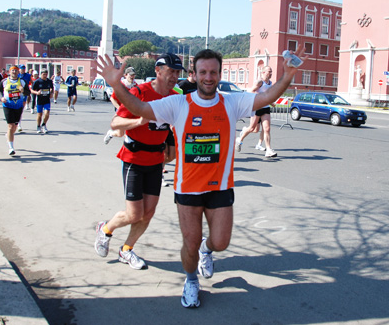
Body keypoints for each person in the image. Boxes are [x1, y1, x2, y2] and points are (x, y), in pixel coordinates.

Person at [97, 47, 305, 309]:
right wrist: (116, 84)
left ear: (219, 74)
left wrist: (286, 77)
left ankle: (208, 251)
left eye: (214, 72)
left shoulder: (232, 101)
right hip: (187, 190)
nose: (209, 77)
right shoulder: (178, 103)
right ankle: (191, 280)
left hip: (220, 187)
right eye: (203, 72)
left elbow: (266, 96)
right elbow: (138, 106)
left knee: (220, 242)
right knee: (190, 243)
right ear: (194, 74)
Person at [94, 54, 182, 271]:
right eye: (171, 71)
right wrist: (139, 120)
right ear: (158, 70)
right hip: (134, 159)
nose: (175, 76)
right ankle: (105, 230)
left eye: (178, 72)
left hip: (156, 161)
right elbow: (115, 122)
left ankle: (126, 250)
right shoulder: (140, 92)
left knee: (148, 213)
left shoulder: (174, 96)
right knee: (134, 214)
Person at [235, 66, 277, 157]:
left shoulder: (270, 83)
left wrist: (271, 102)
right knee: (253, 128)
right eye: (269, 71)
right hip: (257, 107)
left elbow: (267, 95)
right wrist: (259, 98)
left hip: (265, 108)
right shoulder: (259, 82)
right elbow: (250, 91)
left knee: (267, 129)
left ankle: (268, 150)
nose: (271, 73)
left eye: (271, 71)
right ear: (263, 72)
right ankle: (240, 139)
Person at [0, 66, 29, 155]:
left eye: (16, 70)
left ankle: (8, 135)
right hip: (7, 105)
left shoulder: (22, 82)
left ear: (18, 72)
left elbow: (28, 92)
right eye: (12, 70)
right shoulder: (4, 81)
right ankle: (11, 148)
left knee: (14, 127)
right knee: (11, 126)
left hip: (18, 106)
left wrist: (23, 91)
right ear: (10, 72)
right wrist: (1, 98)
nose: (14, 72)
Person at [104, 66, 137, 144]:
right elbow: (112, 99)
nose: (132, 77)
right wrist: (119, 108)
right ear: (125, 75)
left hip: (131, 111)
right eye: (130, 75)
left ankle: (130, 146)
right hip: (121, 112)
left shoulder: (136, 86)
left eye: (133, 75)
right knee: (120, 134)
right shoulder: (120, 86)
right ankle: (110, 133)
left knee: (130, 131)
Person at [31, 69, 54, 134]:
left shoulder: (49, 81)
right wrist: (36, 92)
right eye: (43, 74)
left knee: (47, 113)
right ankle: (38, 126)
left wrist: (51, 93)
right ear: (41, 74)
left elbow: (52, 88)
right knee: (39, 115)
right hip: (39, 100)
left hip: (47, 100)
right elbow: (32, 90)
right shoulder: (37, 81)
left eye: (46, 74)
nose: (45, 76)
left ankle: (44, 124)